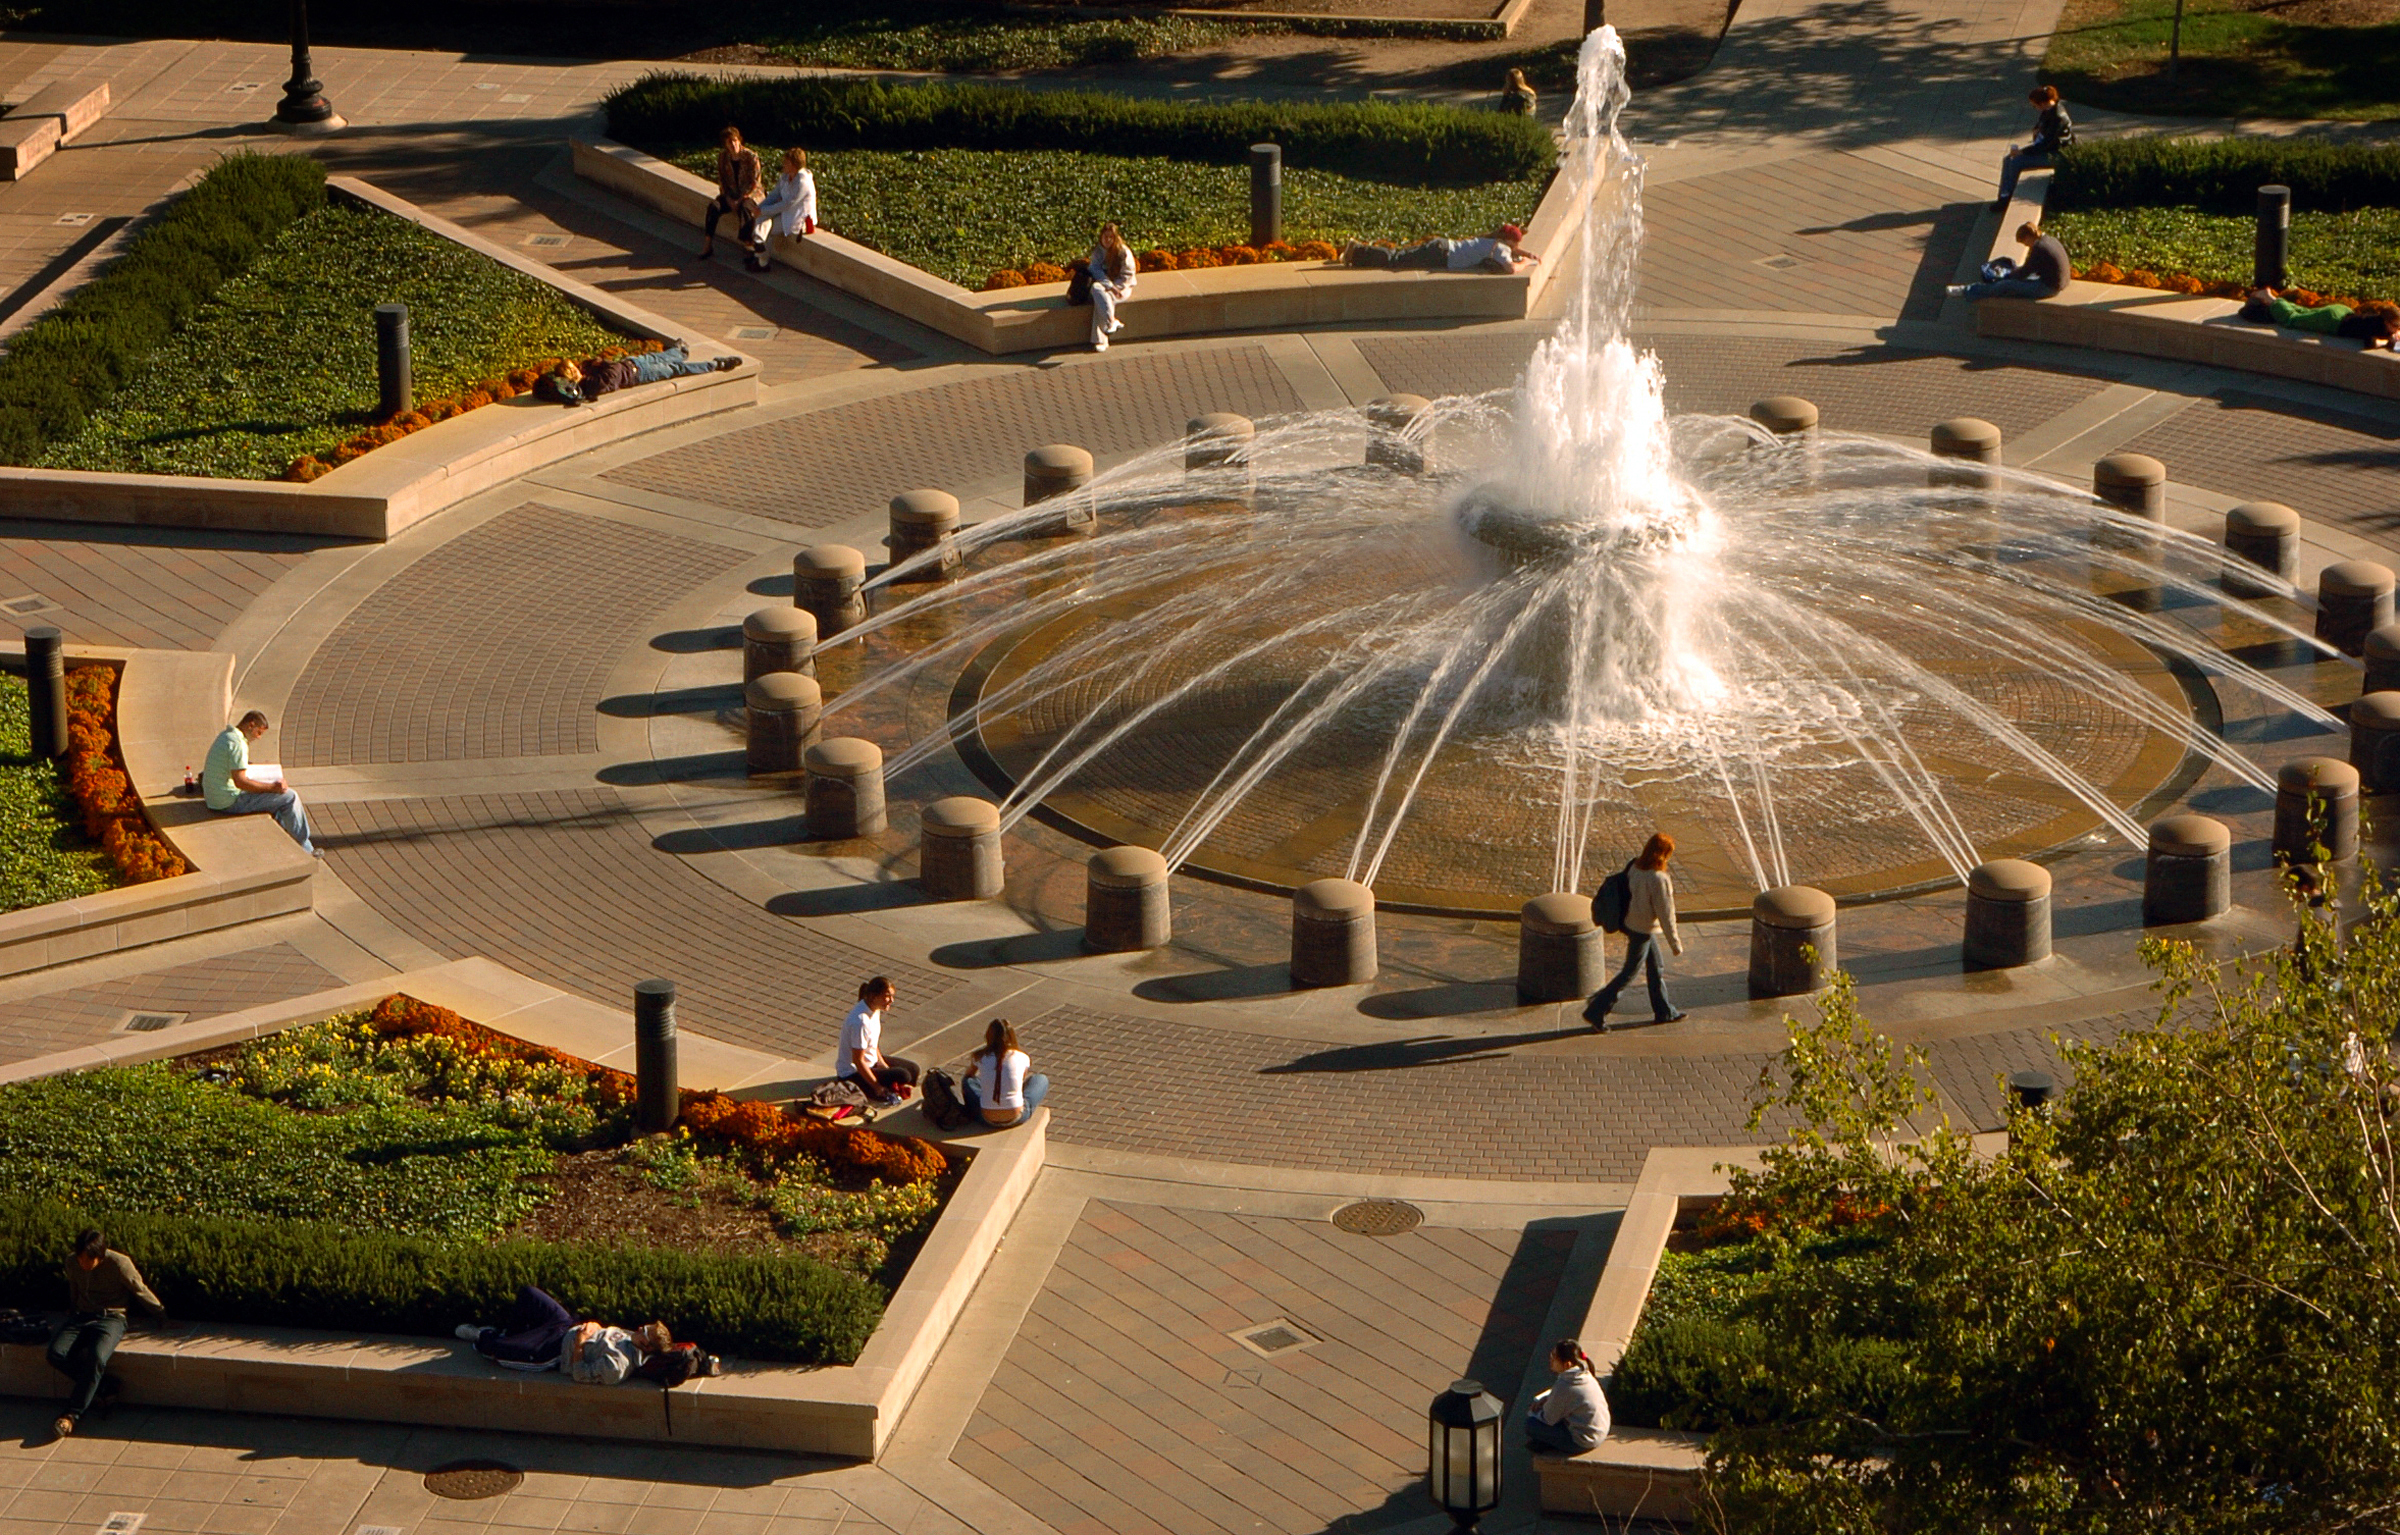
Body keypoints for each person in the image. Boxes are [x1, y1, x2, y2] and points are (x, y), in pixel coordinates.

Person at [47, 1229, 163, 1440]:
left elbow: (139, 1289)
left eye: (88, 1260)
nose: (84, 1264)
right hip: (81, 1316)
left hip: (111, 1317)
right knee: (56, 1354)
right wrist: (72, 1310)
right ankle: (106, 1385)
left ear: (99, 1255)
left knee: (97, 1357)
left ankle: (72, 1414)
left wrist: (160, 1313)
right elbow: (74, 1287)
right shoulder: (72, 1262)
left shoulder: (119, 1263)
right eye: (81, 1259)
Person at [456, 1286, 670, 1385]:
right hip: (566, 1325)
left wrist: (579, 1343)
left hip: (552, 1352)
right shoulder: (632, 1337)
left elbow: (580, 1374)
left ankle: (482, 1336)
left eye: (644, 1331)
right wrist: (595, 1325)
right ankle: (512, 1335)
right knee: (528, 1294)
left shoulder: (618, 1364)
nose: (640, 1328)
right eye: (644, 1326)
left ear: (647, 1347)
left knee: (499, 1351)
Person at [1584, 832, 1687, 1030]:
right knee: (1629, 973)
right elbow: (1666, 914)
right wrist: (1675, 944)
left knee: (1656, 968)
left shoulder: (1635, 866)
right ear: (1663, 855)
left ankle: (1664, 1011)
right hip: (1642, 930)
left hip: (1631, 924)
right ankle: (1597, 1009)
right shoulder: (1658, 879)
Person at [203, 709, 316, 855]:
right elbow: (241, 782)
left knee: (277, 801)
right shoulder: (238, 744)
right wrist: (272, 788)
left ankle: (288, 839)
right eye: (259, 733)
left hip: (215, 798)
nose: (259, 737)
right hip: (228, 802)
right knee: (289, 797)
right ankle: (305, 848)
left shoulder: (226, 736)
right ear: (251, 725)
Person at [536, 342, 740, 405]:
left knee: (660, 356)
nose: (577, 367)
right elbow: (613, 374)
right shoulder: (590, 384)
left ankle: (680, 351)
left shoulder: (587, 371)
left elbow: (605, 365)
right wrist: (605, 363)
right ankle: (716, 365)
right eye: (573, 368)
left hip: (634, 363)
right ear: (571, 374)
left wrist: (599, 363)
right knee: (675, 369)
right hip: (638, 374)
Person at [838, 975, 921, 1105]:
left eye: (892, 996)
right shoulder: (860, 1021)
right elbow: (858, 1061)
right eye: (887, 996)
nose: (891, 1001)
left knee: (913, 1069)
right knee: (903, 1075)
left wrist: (883, 1064)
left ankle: (892, 1086)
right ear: (874, 996)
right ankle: (873, 1089)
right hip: (853, 1074)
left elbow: (872, 1043)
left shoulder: (874, 1010)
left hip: (871, 1063)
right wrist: (877, 1087)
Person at [1343, 224, 1540, 276]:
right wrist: (1526, 262)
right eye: (1516, 245)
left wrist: (1524, 253)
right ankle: (1357, 251)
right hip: (1440, 254)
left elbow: (1511, 250)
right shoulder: (1500, 250)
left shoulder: (1492, 241)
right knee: (1396, 260)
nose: (1517, 249)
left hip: (1441, 248)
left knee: (1400, 256)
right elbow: (1511, 269)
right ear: (1508, 242)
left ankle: (1358, 253)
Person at [1994, 84, 2074, 211]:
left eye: (2035, 105)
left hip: (2056, 154)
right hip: (2046, 149)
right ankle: (2004, 194)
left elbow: (2047, 144)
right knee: (2008, 159)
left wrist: (2023, 152)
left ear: (2042, 103)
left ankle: (2007, 197)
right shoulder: (2049, 111)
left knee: (2016, 161)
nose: (2035, 108)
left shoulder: (2058, 118)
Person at [1525, 1339, 1611, 1453]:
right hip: (1599, 1430)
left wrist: (1534, 1410)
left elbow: (1548, 1419)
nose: (1550, 1359)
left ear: (1567, 1364)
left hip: (1583, 1440)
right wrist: (1547, 1400)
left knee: (1531, 1424)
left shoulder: (1566, 1385)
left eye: (1554, 1357)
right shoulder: (1585, 1374)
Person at [961, 1017, 1049, 1128]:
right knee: (1041, 1079)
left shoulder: (980, 1056)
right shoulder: (1022, 1057)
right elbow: (1020, 1081)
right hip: (1016, 1117)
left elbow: (969, 1076)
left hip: (986, 1118)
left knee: (968, 1082)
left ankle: (975, 1110)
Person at [1948, 222, 2069, 301]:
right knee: (2012, 280)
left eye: (2025, 242)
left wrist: (2007, 277)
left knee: (2006, 285)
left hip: (2048, 287)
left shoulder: (2039, 248)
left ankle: (1966, 290)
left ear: (2028, 237)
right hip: (2056, 282)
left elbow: (2024, 273)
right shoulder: (2049, 240)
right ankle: (1978, 289)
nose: (2026, 246)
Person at [2241, 289, 2400, 350]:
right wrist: (2387, 342)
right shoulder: (2374, 326)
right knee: (2293, 319)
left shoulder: (2381, 321)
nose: (2397, 328)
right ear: (2386, 322)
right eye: (2395, 325)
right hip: (2332, 321)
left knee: (2303, 312)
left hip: (2340, 311)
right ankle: (2269, 297)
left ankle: (2276, 302)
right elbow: (2369, 343)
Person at [748, 146, 818, 273]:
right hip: (784, 212)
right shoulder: (785, 177)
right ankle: (758, 249)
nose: (783, 164)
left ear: (794, 165)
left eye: (786, 162)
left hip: (797, 218)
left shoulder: (803, 182)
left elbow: (787, 204)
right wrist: (760, 208)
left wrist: (763, 211)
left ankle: (762, 261)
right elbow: (775, 194)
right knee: (763, 218)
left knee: (768, 228)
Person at [701, 125, 763, 262]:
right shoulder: (723, 158)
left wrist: (741, 198)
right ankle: (707, 243)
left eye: (735, 141)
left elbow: (755, 182)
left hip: (749, 194)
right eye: (730, 142)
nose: (733, 144)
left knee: (746, 209)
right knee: (714, 207)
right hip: (731, 194)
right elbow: (722, 180)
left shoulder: (751, 157)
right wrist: (728, 198)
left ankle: (748, 244)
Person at [1086, 223, 1137, 353]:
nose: (1107, 240)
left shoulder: (1123, 252)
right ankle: (1111, 321)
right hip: (1106, 286)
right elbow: (1094, 269)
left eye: (1110, 237)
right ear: (1101, 237)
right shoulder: (1098, 251)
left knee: (1102, 300)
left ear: (1115, 238)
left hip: (1122, 286)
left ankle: (1100, 339)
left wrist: (1115, 288)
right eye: (1105, 236)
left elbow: (1128, 275)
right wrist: (1110, 286)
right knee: (1097, 289)